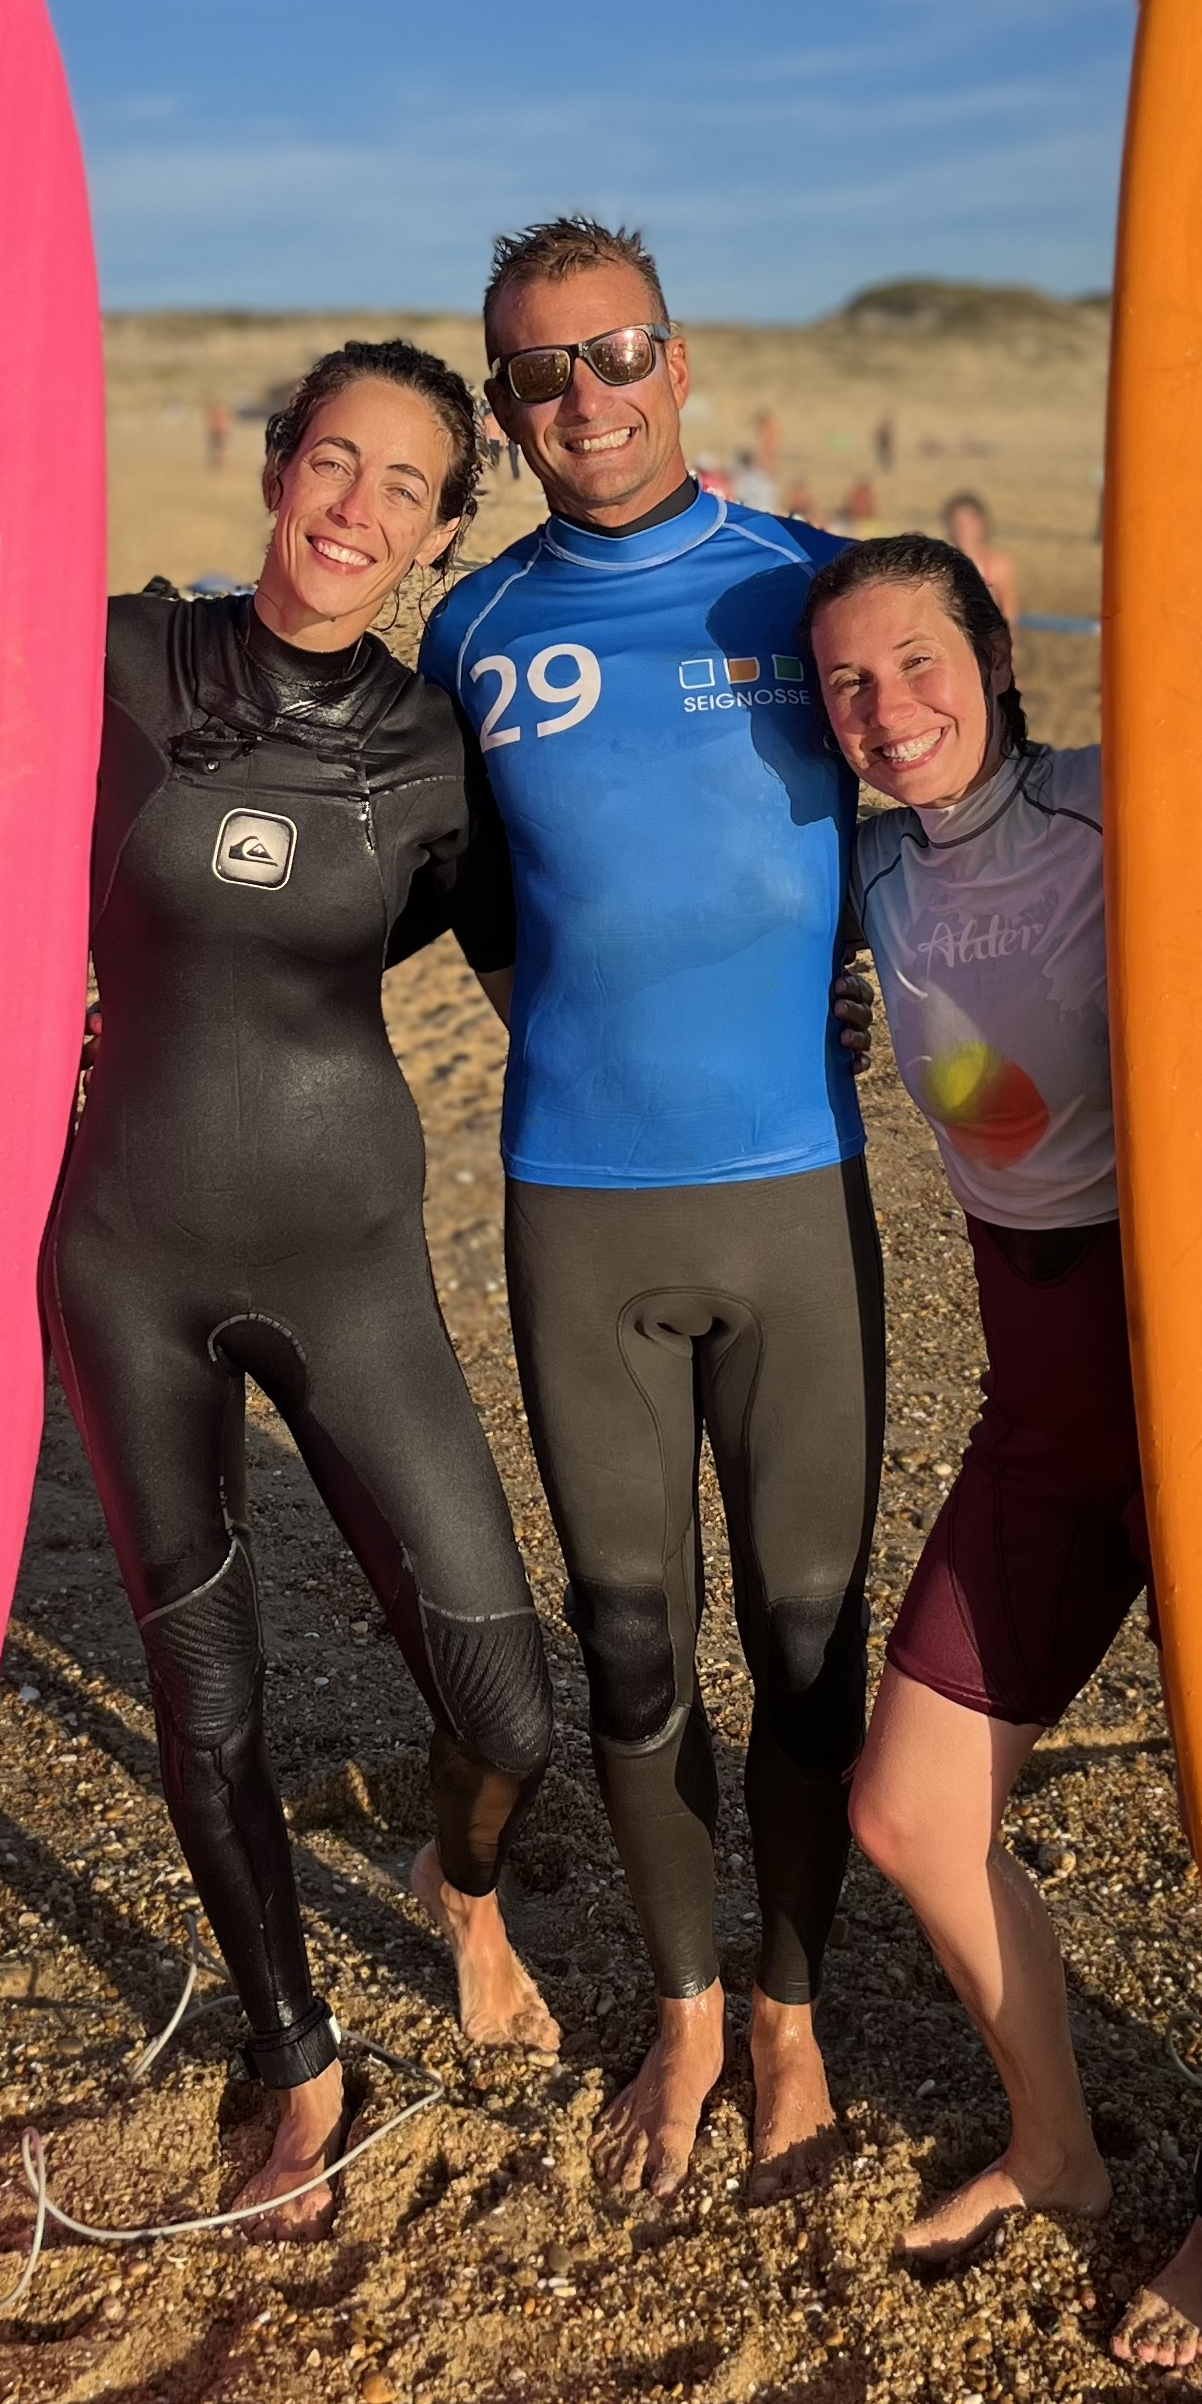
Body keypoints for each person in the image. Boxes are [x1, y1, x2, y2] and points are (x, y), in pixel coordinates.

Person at [43, 339, 560, 2234]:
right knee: (210, 1702)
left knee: (506, 1709)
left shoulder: (438, 754)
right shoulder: (116, 660)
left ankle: (460, 1887)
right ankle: (294, 2054)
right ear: (277, 469)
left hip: (348, 1264)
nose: (357, 508)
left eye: (404, 486)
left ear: (437, 534)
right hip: (127, 1256)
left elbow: (531, 966)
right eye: (334, 461)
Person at [424, 216, 878, 2203]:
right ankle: (685, 2009)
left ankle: (789, 2009)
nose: (585, 398)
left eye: (616, 354)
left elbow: (970, 796)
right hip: (579, 1208)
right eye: (539, 373)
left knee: (805, 1638)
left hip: (795, 1198)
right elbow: (444, 887)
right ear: (503, 407)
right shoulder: (473, 630)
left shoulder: (811, 586)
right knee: (628, 1642)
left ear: (677, 362)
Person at [808, 531, 1202, 2357]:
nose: (887, 709)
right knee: (907, 1812)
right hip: (1042, 1398)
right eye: (848, 683)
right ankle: (1058, 2148)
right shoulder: (867, 876)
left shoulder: (1114, 805)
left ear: (996, 659)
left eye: (918, 663)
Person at [939, 492, 1020, 623]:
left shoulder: (998, 566)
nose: (963, 530)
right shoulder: (942, 566)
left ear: (981, 525)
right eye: (958, 524)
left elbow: (1010, 617)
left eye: (967, 524)